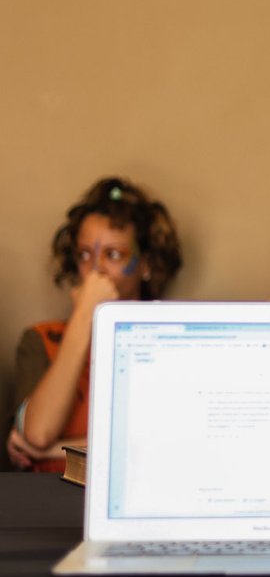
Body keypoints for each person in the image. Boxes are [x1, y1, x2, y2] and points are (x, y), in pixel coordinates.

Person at [7, 177, 183, 472]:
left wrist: (54, 451)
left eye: (114, 255)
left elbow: (162, 446)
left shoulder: (173, 340)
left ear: (146, 264)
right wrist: (86, 313)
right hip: (50, 509)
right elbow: (38, 434)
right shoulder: (40, 340)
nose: (96, 270)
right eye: (85, 255)